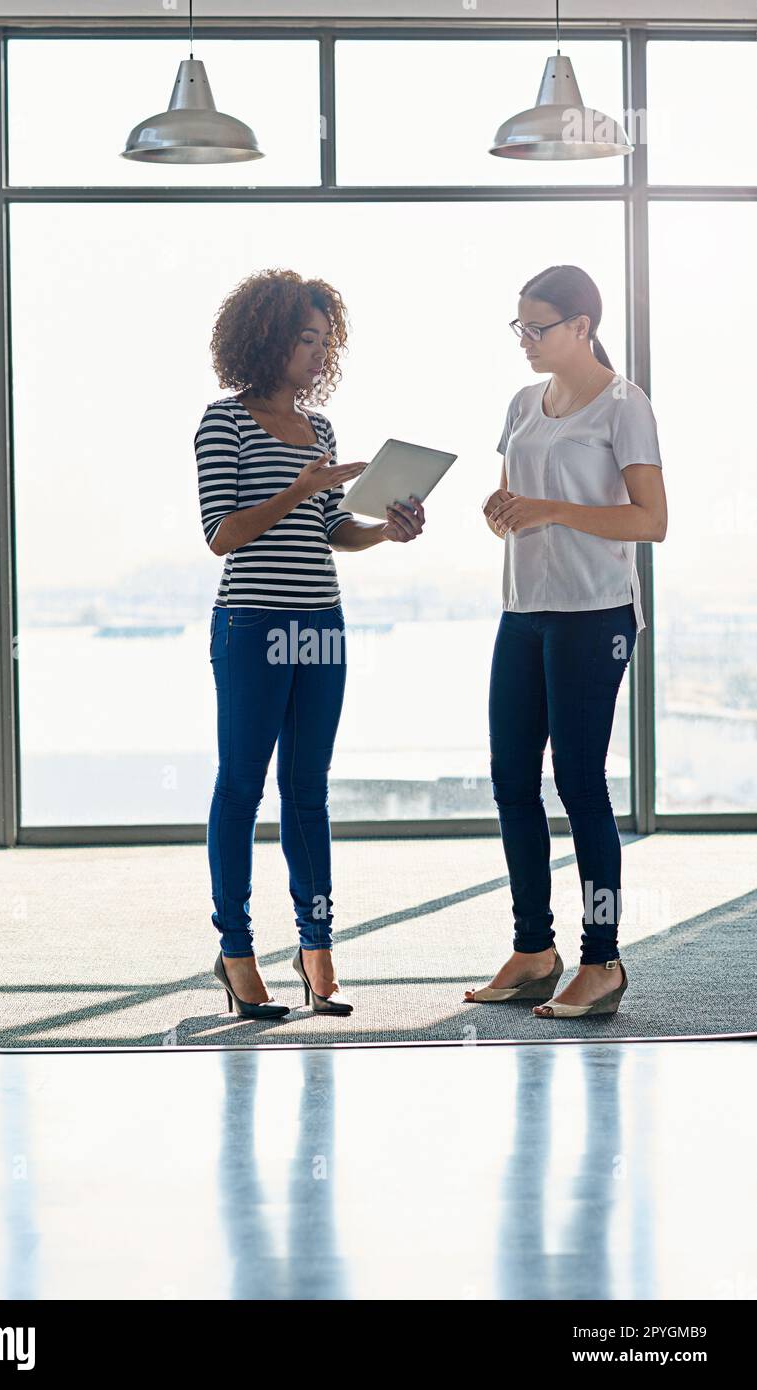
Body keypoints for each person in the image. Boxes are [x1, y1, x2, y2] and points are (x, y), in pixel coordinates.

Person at [194, 268, 426, 1020]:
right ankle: (234, 952)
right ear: (265, 338)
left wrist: (383, 531)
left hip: (320, 623)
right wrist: (298, 488)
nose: (317, 353)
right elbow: (221, 535)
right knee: (241, 786)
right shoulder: (222, 424)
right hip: (253, 624)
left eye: (325, 341)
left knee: (309, 791)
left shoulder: (322, 430)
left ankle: (316, 946)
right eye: (304, 338)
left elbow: (331, 532)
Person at [463, 264, 667, 1019]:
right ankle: (532, 950)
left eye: (537, 327)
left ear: (583, 326)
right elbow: (520, 505)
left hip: (594, 612)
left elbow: (649, 521)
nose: (524, 340)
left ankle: (602, 959)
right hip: (523, 609)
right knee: (511, 780)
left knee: (578, 782)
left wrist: (549, 509)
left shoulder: (623, 405)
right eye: (517, 326)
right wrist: (504, 510)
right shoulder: (522, 402)